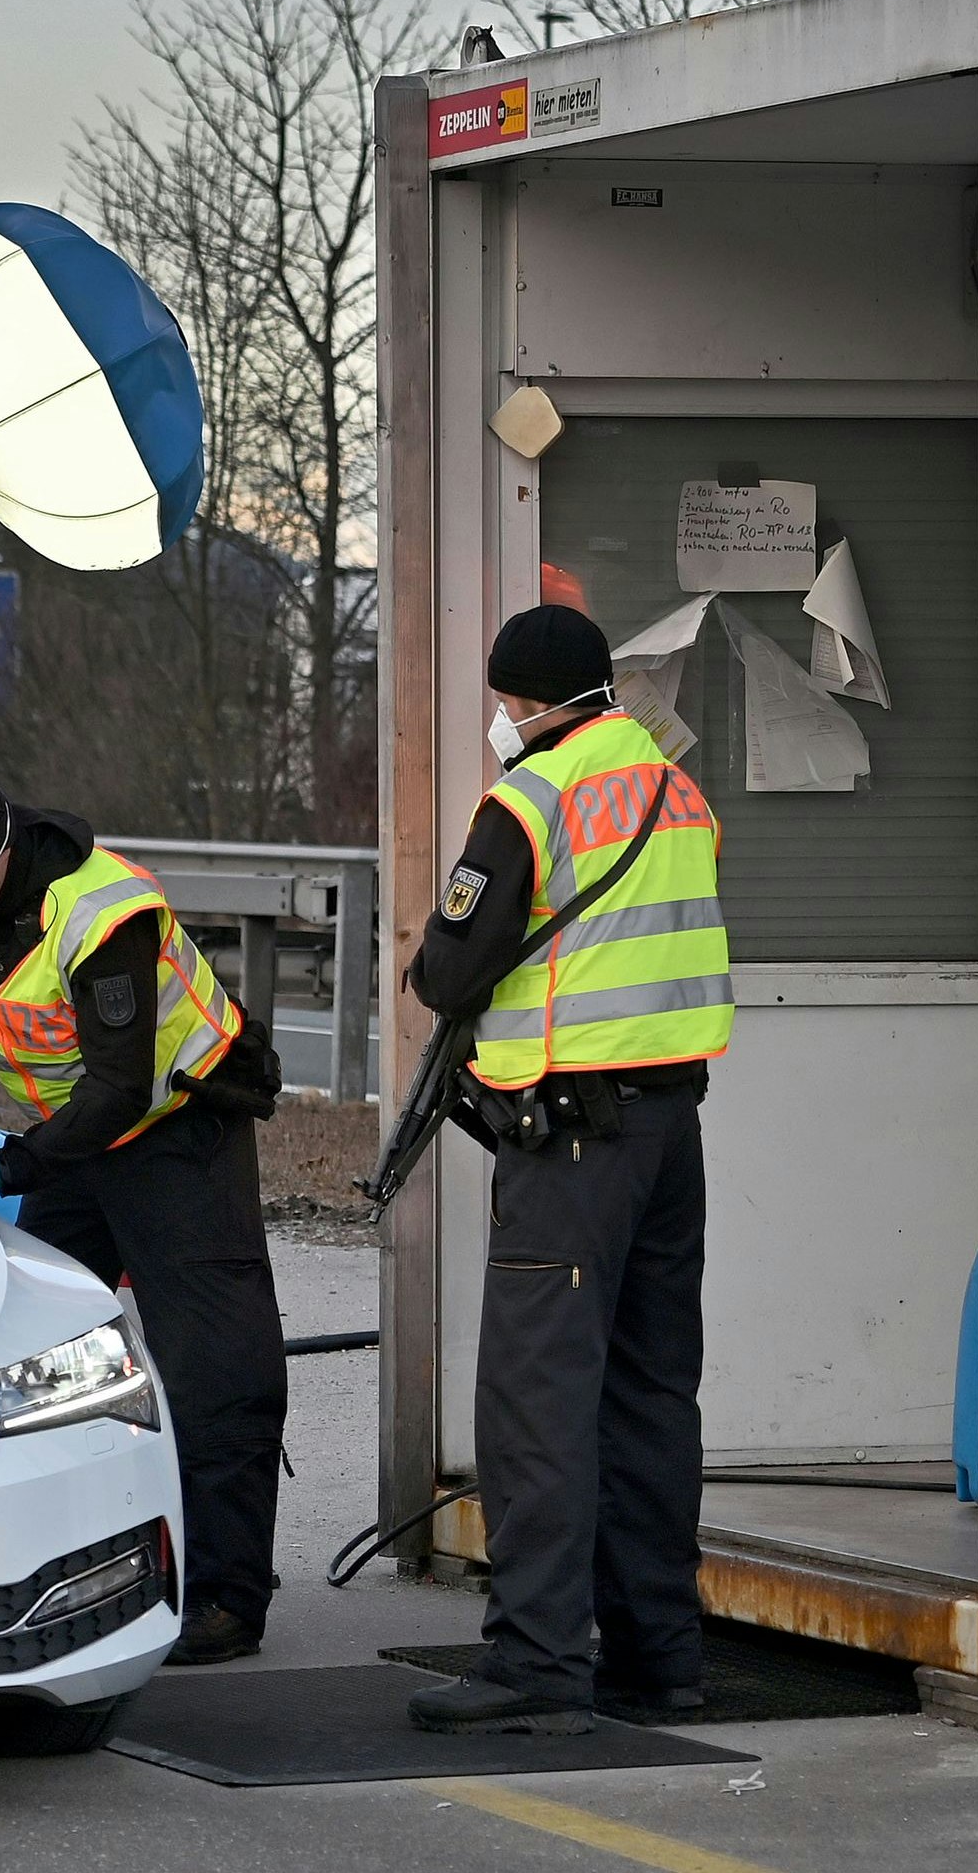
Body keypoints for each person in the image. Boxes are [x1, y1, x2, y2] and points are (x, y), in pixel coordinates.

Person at [402, 604, 731, 1737]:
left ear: (525, 699)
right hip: (667, 1132)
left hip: (571, 1142)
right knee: (649, 1395)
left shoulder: (530, 800)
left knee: (538, 1401)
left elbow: (447, 969)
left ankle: (537, 1660)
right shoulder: (671, 787)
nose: (498, 719)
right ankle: (657, 1658)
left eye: (501, 701)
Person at [0, 769, 289, 1666]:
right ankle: (61, 1564)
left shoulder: (103, 911)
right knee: (30, 1347)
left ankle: (227, 1596)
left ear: (2, 851)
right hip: (77, 1142)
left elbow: (121, 1084)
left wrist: (12, 1161)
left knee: (215, 1369)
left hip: (177, 1131)